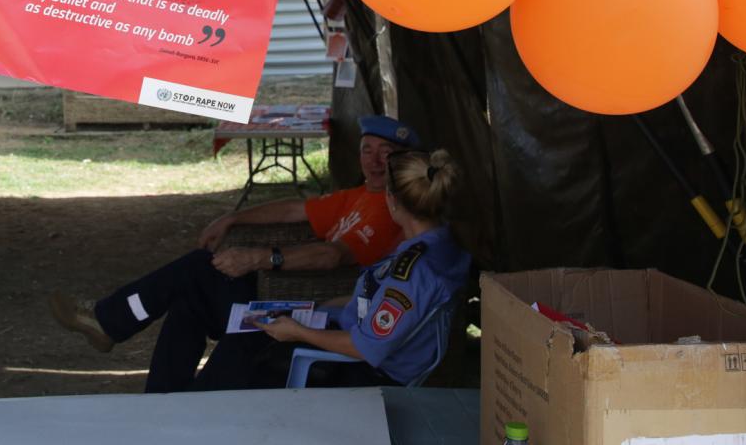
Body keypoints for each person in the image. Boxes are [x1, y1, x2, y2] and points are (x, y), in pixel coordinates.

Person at [49, 114, 421, 393]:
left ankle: (112, 323)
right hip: (290, 297)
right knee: (189, 302)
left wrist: (261, 258)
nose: (374, 161)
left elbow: (332, 257)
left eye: (386, 154)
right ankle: (158, 401)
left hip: (315, 309)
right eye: (367, 151)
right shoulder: (360, 195)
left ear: (404, 163)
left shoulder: (390, 209)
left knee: (198, 270)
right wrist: (234, 218)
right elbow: (295, 210)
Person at [186, 148, 472, 391]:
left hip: (361, 372)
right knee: (242, 335)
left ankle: (192, 412)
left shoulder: (414, 272)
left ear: (392, 200)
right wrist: (317, 310)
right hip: (345, 330)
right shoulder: (439, 245)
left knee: (240, 350)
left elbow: (366, 348)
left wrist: (298, 332)